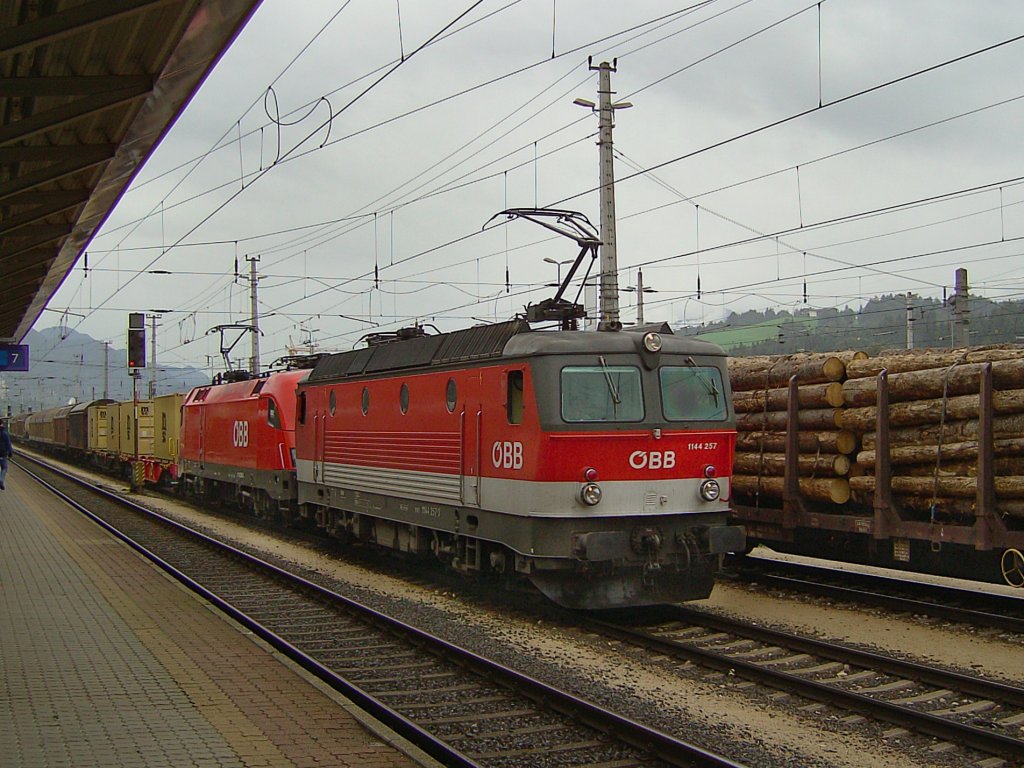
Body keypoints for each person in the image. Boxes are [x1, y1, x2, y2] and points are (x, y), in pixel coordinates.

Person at [0, 419, 12, 490]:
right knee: (4, 468)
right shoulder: (5, 433)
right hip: (3, 454)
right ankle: (1, 480)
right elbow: (8, 444)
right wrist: (10, 453)